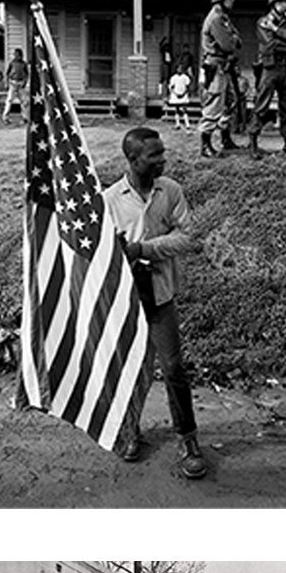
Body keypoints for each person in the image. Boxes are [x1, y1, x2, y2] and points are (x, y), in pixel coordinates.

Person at [104, 127, 207, 479]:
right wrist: (116, 253)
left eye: (162, 152)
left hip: (160, 295)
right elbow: (98, 255)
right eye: (154, 155)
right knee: (130, 370)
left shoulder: (171, 191)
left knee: (174, 369)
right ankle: (130, 430)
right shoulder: (109, 201)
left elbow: (189, 237)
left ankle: (187, 438)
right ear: (133, 160)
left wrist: (144, 249)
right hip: (126, 300)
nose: (163, 159)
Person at [249, 0, 286, 160]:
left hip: (285, 68)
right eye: (280, 1)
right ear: (273, 3)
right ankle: (253, 142)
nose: (283, 5)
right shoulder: (263, 22)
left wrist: (277, 31)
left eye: (285, 1)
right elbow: (270, 45)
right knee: (262, 105)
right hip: (269, 69)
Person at [199, 0, 242, 158]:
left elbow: (238, 40)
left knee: (229, 103)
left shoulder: (223, 17)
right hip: (216, 66)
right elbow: (229, 44)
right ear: (222, 0)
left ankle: (225, 139)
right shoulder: (216, 19)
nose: (232, 1)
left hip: (224, 66)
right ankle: (205, 145)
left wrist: (233, 39)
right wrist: (233, 39)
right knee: (214, 105)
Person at [1, 48, 29, 124]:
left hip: (21, 84)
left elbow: (26, 74)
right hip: (13, 83)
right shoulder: (12, 63)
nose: (16, 56)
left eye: (18, 55)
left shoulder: (23, 64)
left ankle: (25, 117)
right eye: (15, 55)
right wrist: (6, 83)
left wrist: (25, 83)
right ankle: (5, 117)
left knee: (24, 102)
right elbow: (7, 74)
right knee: (9, 100)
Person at [167, 64, 192, 131]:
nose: (179, 70)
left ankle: (187, 124)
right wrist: (176, 93)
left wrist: (183, 93)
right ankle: (177, 124)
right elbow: (171, 87)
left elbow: (187, 87)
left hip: (183, 95)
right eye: (178, 69)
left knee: (184, 110)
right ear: (176, 69)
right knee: (177, 109)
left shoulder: (185, 77)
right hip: (176, 95)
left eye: (181, 69)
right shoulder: (173, 78)